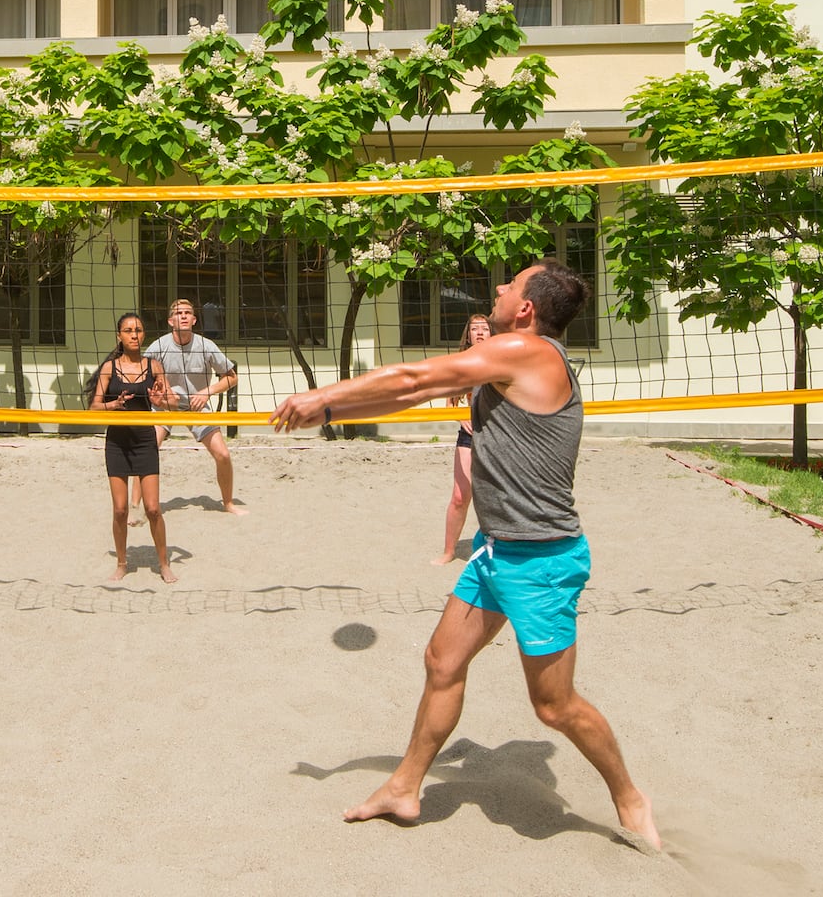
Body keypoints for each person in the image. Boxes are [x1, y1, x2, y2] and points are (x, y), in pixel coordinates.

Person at [271, 260, 661, 851]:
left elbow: (410, 374)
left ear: (526, 309)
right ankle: (405, 788)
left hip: (541, 559)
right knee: (442, 662)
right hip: (495, 549)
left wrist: (321, 395)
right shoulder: (511, 357)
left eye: (511, 285)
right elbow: (415, 393)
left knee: (553, 707)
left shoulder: (529, 354)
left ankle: (630, 796)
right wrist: (330, 413)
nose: (500, 289)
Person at [90, 312, 177, 583]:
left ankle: (164, 564)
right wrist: (113, 405)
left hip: (143, 440)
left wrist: (161, 399)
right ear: (120, 336)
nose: (134, 335)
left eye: (138, 330)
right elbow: (93, 407)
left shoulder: (154, 366)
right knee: (120, 509)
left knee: (152, 508)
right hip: (117, 442)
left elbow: (172, 403)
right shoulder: (109, 368)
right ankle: (121, 562)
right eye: (128, 330)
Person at [147, 298, 247, 515]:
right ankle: (138, 506)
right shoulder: (158, 347)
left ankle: (228, 503)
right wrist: (160, 393)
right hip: (165, 406)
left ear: (193, 320)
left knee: (223, 455)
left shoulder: (206, 346)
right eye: (178, 313)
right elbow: (142, 377)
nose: (182, 316)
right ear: (170, 320)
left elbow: (231, 378)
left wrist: (206, 391)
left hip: (196, 406)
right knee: (147, 451)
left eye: (187, 313)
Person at [434, 314, 492, 567]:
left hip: (497, 435)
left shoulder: (503, 359)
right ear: (467, 335)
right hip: (469, 434)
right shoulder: (461, 363)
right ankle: (449, 552)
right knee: (460, 496)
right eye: (474, 329)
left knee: (494, 495)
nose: (479, 332)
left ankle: (501, 550)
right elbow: (450, 403)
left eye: (484, 328)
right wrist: (460, 418)